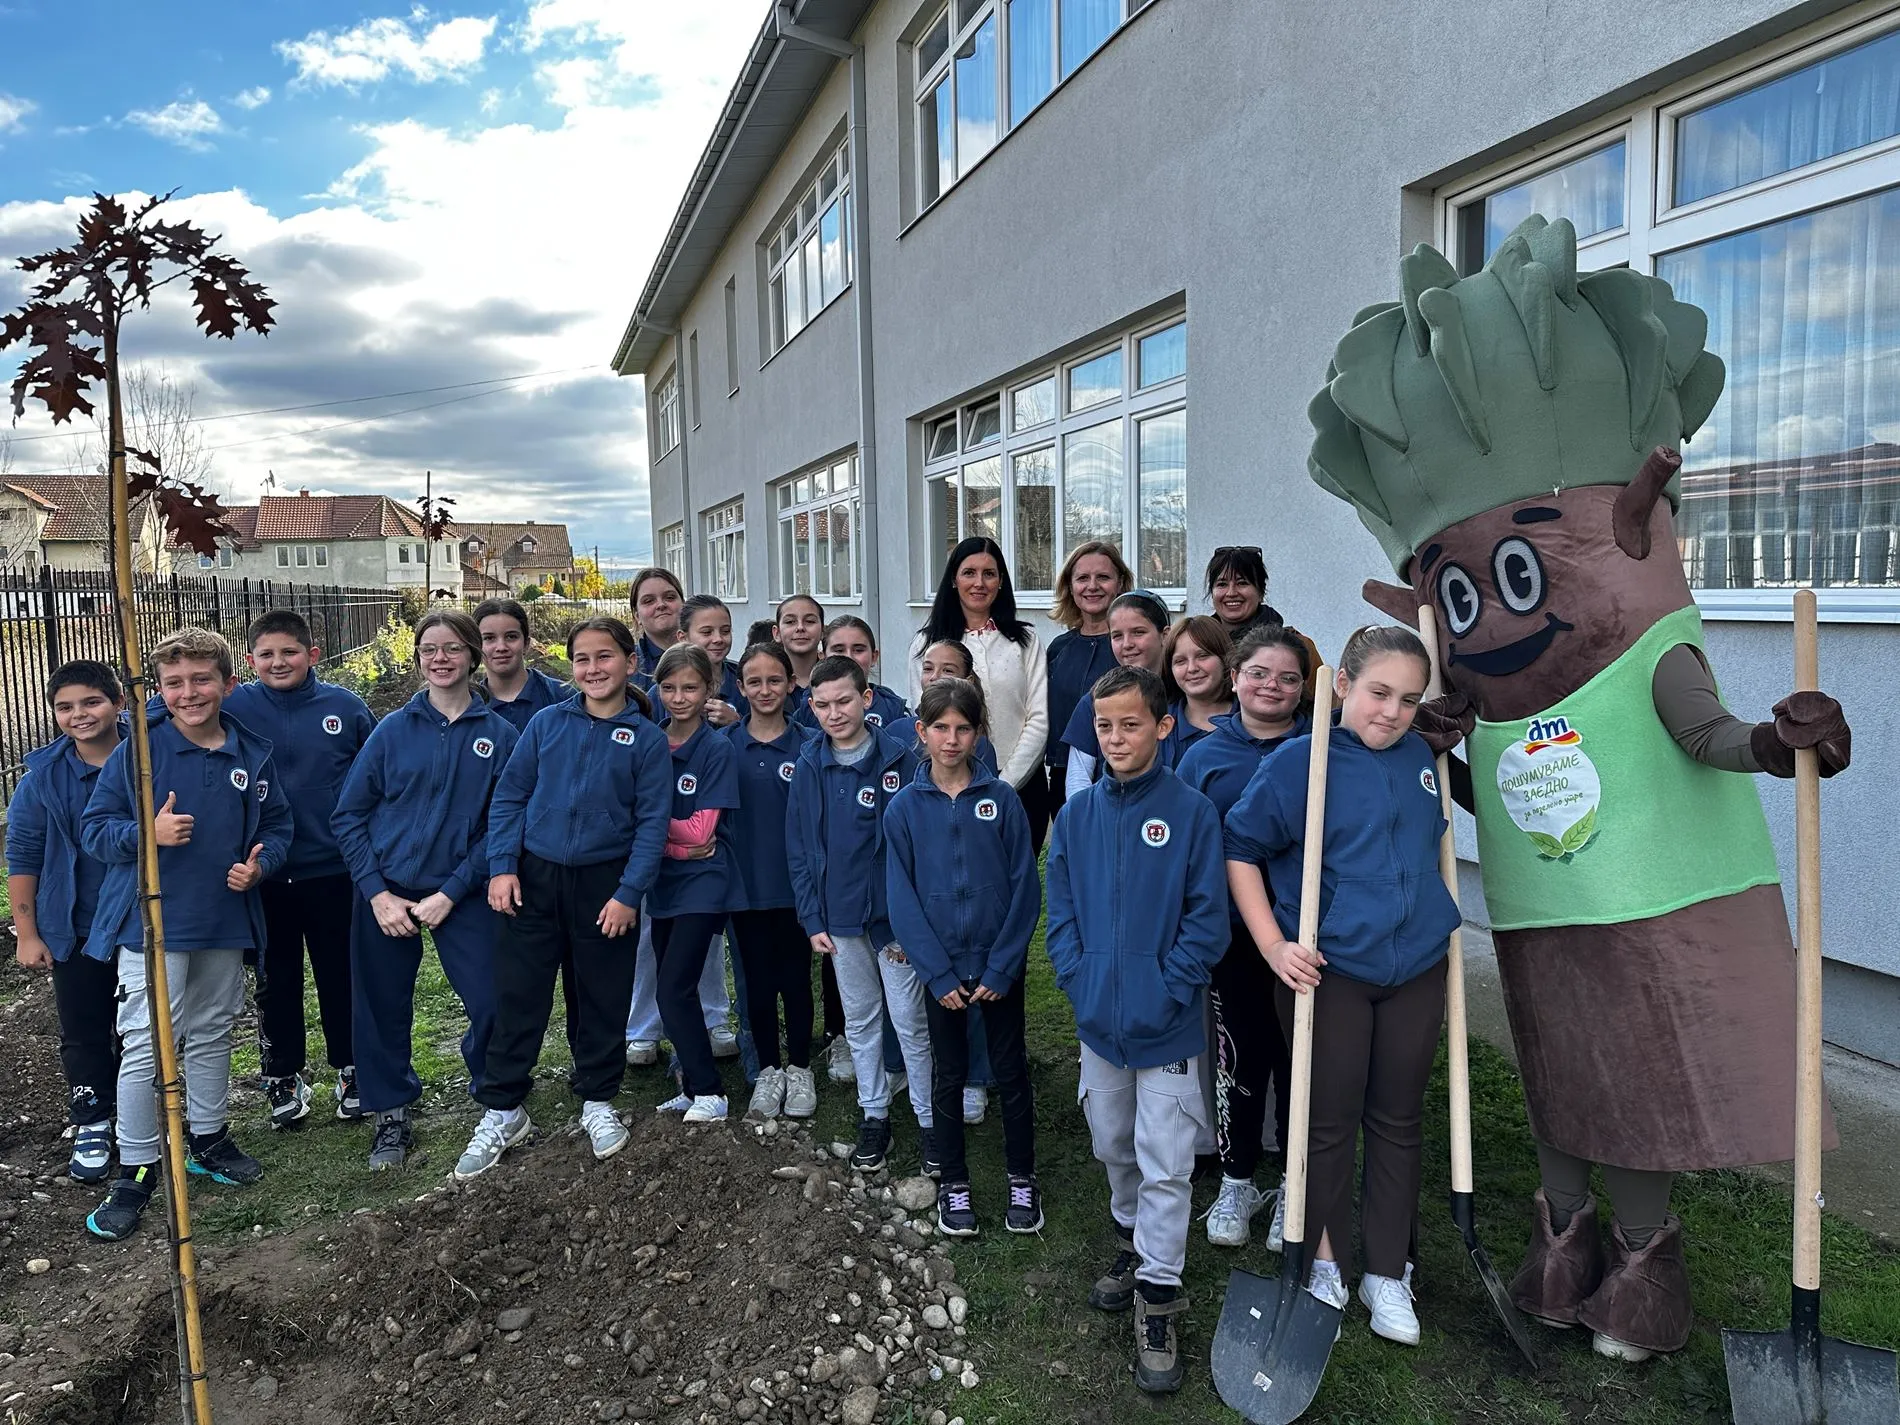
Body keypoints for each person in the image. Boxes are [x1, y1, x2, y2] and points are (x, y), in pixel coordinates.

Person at [1223, 625, 1459, 1347]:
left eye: (1410, 700)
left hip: (1416, 965)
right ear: (1344, 684)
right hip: (1333, 972)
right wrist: (1273, 944)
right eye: (1379, 692)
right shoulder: (1302, 760)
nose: (1393, 712)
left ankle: (1387, 1271)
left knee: (1398, 1118)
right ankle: (1325, 1259)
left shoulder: (1420, 757)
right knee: (1327, 1120)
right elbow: (1240, 847)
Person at [1045, 664, 1227, 1395]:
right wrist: (1079, 979)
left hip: (1168, 1027)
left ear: (1163, 726)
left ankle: (1158, 1290)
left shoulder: (1192, 812)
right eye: (1104, 726)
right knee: (1112, 1142)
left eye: (1130, 724)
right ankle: (1131, 1236)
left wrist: (1167, 987)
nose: (1116, 738)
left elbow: (1208, 919)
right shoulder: (1077, 816)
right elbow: (1060, 910)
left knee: (1166, 1157)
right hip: (1100, 1024)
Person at [80, 628, 293, 1240]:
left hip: (223, 921)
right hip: (153, 924)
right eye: (173, 683)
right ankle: (137, 1165)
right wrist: (147, 834)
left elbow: (278, 825)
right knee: (148, 1043)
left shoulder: (250, 752)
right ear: (158, 690)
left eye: (202, 679)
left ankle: (207, 1135)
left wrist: (260, 866)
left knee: (211, 1031)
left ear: (229, 683)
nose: (189, 693)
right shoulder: (141, 752)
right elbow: (96, 830)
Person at [457, 618, 672, 1178]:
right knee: (518, 994)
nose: (593, 669)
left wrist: (629, 893)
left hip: (606, 886)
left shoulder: (647, 739)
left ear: (630, 662)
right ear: (571, 666)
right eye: (582, 659)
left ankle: (597, 1100)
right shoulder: (547, 723)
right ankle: (504, 1109)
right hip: (534, 879)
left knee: (601, 993)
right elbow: (510, 796)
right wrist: (503, 867)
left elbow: (652, 825)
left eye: (605, 656)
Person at [331, 610, 519, 1172]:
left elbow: (501, 827)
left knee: (492, 996)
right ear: (417, 659)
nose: (440, 658)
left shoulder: (499, 736)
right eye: (429, 649)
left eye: (453, 647)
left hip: (461, 892)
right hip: (387, 890)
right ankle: (390, 1110)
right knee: (380, 1004)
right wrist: (376, 892)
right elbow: (348, 815)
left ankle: (495, 1094)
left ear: (473, 656)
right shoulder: (392, 730)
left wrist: (453, 891)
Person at [885, 678, 1042, 1237]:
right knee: (948, 1074)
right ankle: (954, 1180)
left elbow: (1025, 887)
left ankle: (1022, 1176)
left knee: (1010, 1071)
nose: (951, 739)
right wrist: (936, 972)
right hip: (944, 973)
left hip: (999, 968)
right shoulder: (904, 809)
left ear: (979, 734)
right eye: (940, 728)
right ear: (921, 732)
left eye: (963, 728)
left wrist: (1003, 966)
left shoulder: (1002, 801)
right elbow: (901, 898)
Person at [1175, 625, 1311, 1249]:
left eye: (1288, 678)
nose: (1271, 686)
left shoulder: (1321, 751)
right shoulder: (1203, 757)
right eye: (1258, 673)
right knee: (1241, 1052)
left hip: (1305, 938)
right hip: (1231, 935)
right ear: (1234, 679)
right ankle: (1237, 1178)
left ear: (1304, 689)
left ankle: (1291, 1183)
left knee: (1297, 1057)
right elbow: (1185, 849)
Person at [225, 610, 375, 1129]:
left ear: (312, 655)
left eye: (289, 652)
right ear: (250, 662)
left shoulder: (345, 708)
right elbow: (171, 709)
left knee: (341, 973)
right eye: (266, 654)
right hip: (263, 875)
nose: (278, 662)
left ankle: (351, 1068)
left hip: (333, 870)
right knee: (275, 980)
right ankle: (282, 1075)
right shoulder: (234, 706)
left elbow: (375, 777)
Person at [787, 655, 935, 1174]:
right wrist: (812, 918)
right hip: (841, 920)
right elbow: (799, 849)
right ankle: (874, 1114)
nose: (835, 713)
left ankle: (929, 1119)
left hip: (896, 921)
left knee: (910, 1022)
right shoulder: (809, 765)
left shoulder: (902, 760)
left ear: (866, 699)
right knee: (861, 1020)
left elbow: (923, 845)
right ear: (811, 707)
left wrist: (918, 919)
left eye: (844, 701)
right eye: (823, 705)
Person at [7, 661, 126, 1184]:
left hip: (143, 923)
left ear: (118, 702)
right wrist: (28, 933)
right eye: (65, 706)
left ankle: (142, 1114)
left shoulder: (152, 758)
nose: (79, 714)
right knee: (83, 1028)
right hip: (75, 926)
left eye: (92, 702)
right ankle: (92, 1118)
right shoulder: (42, 782)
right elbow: (23, 856)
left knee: (144, 1029)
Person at [646, 643, 743, 1123]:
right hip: (663, 882)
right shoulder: (649, 742)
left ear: (710, 688)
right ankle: (691, 1090)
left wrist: (653, 830)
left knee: (673, 989)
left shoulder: (716, 748)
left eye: (690, 687)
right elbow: (673, 834)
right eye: (669, 688)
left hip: (703, 884)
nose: (679, 698)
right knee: (669, 991)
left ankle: (710, 1092)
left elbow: (702, 832)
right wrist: (675, 847)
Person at [908, 538, 1049, 851]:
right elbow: (926, 715)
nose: (979, 583)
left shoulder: (1025, 641)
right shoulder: (925, 645)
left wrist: (1003, 783)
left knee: (1016, 874)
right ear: (954, 580)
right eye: (969, 572)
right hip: (949, 786)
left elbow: (1039, 718)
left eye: (989, 573)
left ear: (1001, 582)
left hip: (1022, 786)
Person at [727, 641, 818, 1121]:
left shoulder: (810, 745)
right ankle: (767, 1069)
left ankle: (800, 1067)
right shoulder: (723, 747)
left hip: (797, 889)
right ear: (740, 688)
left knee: (796, 979)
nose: (765, 690)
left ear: (791, 684)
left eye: (774, 680)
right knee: (757, 984)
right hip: (745, 888)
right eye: (754, 681)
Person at [1045, 541, 1131, 817]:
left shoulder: (1130, 648)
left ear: (1120, 583)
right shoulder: (1058, 649)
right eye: (1082, 578)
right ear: (1070, 587)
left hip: (1120, 771)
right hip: (1063, 774)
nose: (1092, 586)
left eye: (1103, 577)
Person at [1062, 590, 1174, 798]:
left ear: (1165, 635)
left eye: (1138, 632)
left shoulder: (1183, 697)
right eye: (1117, 636)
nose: (1127, 644)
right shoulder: (1095, 700)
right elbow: (1078, 779)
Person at [474, 597, 571, 733]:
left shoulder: (563, 698)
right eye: (489, 638)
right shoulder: (469, 707)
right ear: (476, 646)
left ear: (526, 644)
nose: (501, 647)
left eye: (511, 637)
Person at [800, 616, 908, 732]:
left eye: (858, 650)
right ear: (823, 657)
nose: (849, 657)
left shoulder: (893, 708)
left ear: (874, 657)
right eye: (839, 650)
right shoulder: (806, 708)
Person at [1162, 616, 1234, 753]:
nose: (1192, 668)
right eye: (1180, 661)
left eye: (1202, 656)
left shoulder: (1252, 720)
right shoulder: (1158, 725)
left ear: (1225, 658)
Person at [680, 594, 748, 727]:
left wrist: (737, 722)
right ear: (683, 638)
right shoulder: (666, 687)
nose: (718, 639)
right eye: (707, 632)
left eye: (725, 631)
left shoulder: (745, 679)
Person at [774, 594, 826, 717]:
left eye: (810, 621)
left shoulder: (836, 679)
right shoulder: (765, 682)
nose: (800, 627)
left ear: (823, 631)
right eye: (790, 622)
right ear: (777, 633)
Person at [630, 566, 685, 677]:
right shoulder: (626, 668)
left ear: (684, 605)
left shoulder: (710, 655)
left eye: (669, 597)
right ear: (637, 616)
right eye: (649, 601)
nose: (661, 605)